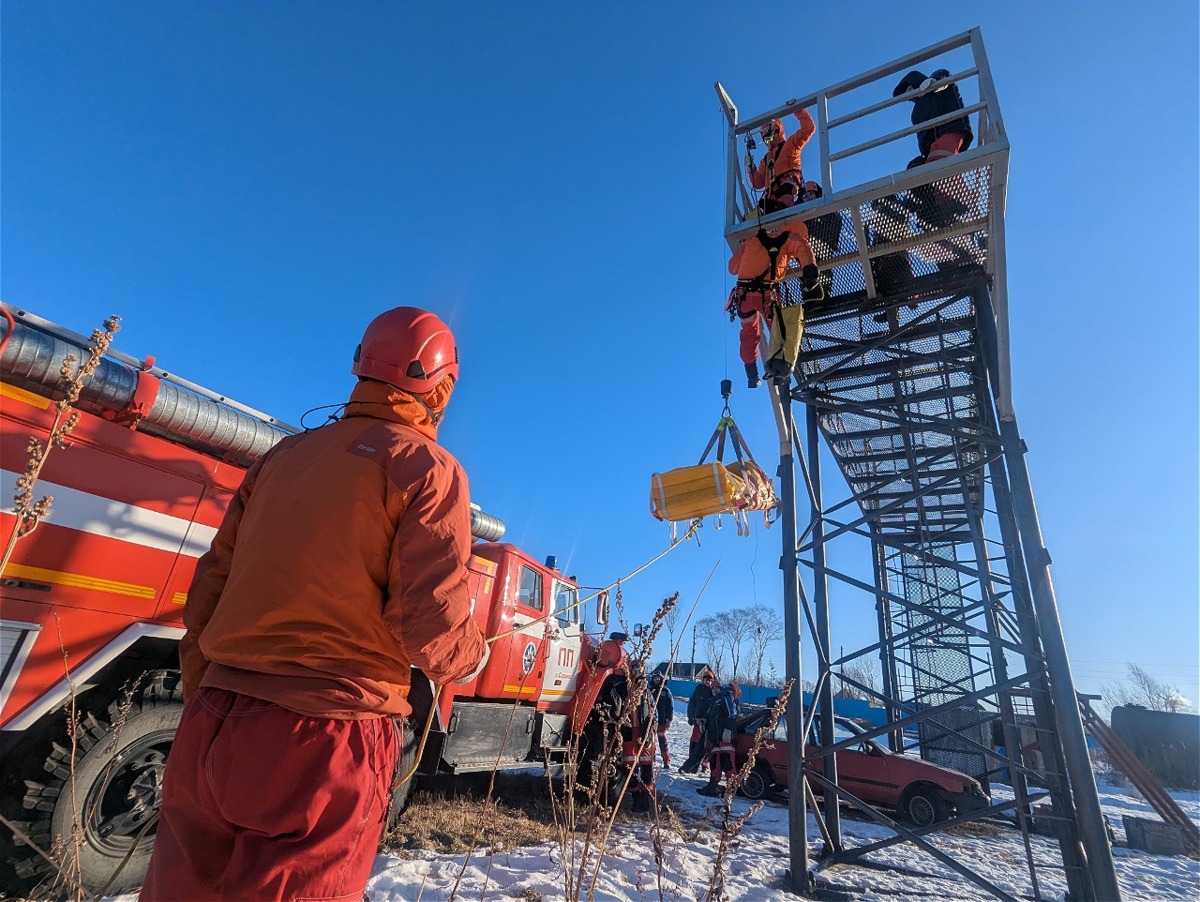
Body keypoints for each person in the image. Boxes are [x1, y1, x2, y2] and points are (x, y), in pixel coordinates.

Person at [140, 307, 490, 902]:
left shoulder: (280, 459)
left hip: (215, 722)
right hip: (328, 737)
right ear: (443, 386)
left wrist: (208, 693)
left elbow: (209, 592)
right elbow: (428, 624)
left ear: (361, 367)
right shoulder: (430, 472)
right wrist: (470, 659)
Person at [726, 224, 819, 388]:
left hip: (744, 297)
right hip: (766, 297)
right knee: (779, 333)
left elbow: (732, 268)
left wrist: (747, 252)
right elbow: (802, 247)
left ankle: (752, 375)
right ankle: (780, 373)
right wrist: (809, 269)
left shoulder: (751, 241)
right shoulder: (790, 238)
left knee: (749, 335)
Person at [892, 69, 973, 165]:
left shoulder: (937, 88)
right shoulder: (916, 112)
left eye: (910, 90)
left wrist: (934, 82)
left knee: (939, 160)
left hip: (951, 130)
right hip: (931, 147)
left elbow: (944, 78)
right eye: (908, 95)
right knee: (917, 166)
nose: (911, 95)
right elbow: (922, 135)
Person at [747, 107, 816, 213]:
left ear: (777, 130)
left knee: (786, 193)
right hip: (773, 192)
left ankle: (784, 210)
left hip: (788, 184)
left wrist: (798, 108)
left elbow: (808, 128)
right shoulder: (766, 160)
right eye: (763, 134)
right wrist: (751, 168)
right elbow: (758, 183)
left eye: (767, 132)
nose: (766, 137)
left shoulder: (790, 145)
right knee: (765, 207)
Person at [696, 681, 741, 797]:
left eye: (716, 688)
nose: (714, 690)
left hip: (725, 736)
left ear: (720, 688)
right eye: (712, 689)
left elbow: (732, 714)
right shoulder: (714, 702)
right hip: (714, 738)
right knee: (715, 763)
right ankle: (711, 789)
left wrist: (728, 730)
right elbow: (711, 718)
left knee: (728, 763)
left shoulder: (725, 696)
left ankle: (732, 791)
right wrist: (703, 723)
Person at [680, 671, 717, 773]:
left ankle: (705, 765)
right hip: (698, 722)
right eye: (706, 679)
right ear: (703, 680)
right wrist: (691, 718)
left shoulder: (714, 692)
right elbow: (691, 705)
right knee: (695, 743)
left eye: (710, 679)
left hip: (708, 723)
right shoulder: (698, 690)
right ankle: (692, 766)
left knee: (707, 744)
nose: (708, 681)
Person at [650, 672, 675, 768]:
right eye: (655, 678)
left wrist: (669, 719)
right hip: (651, 721)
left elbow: (670, 706)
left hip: (662, 720)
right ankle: (651, 759)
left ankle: (666, 760)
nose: (657, 680)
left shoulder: (665, 691)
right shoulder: (649, 691)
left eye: (658, 678)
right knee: (651, 741)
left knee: (662, 740)